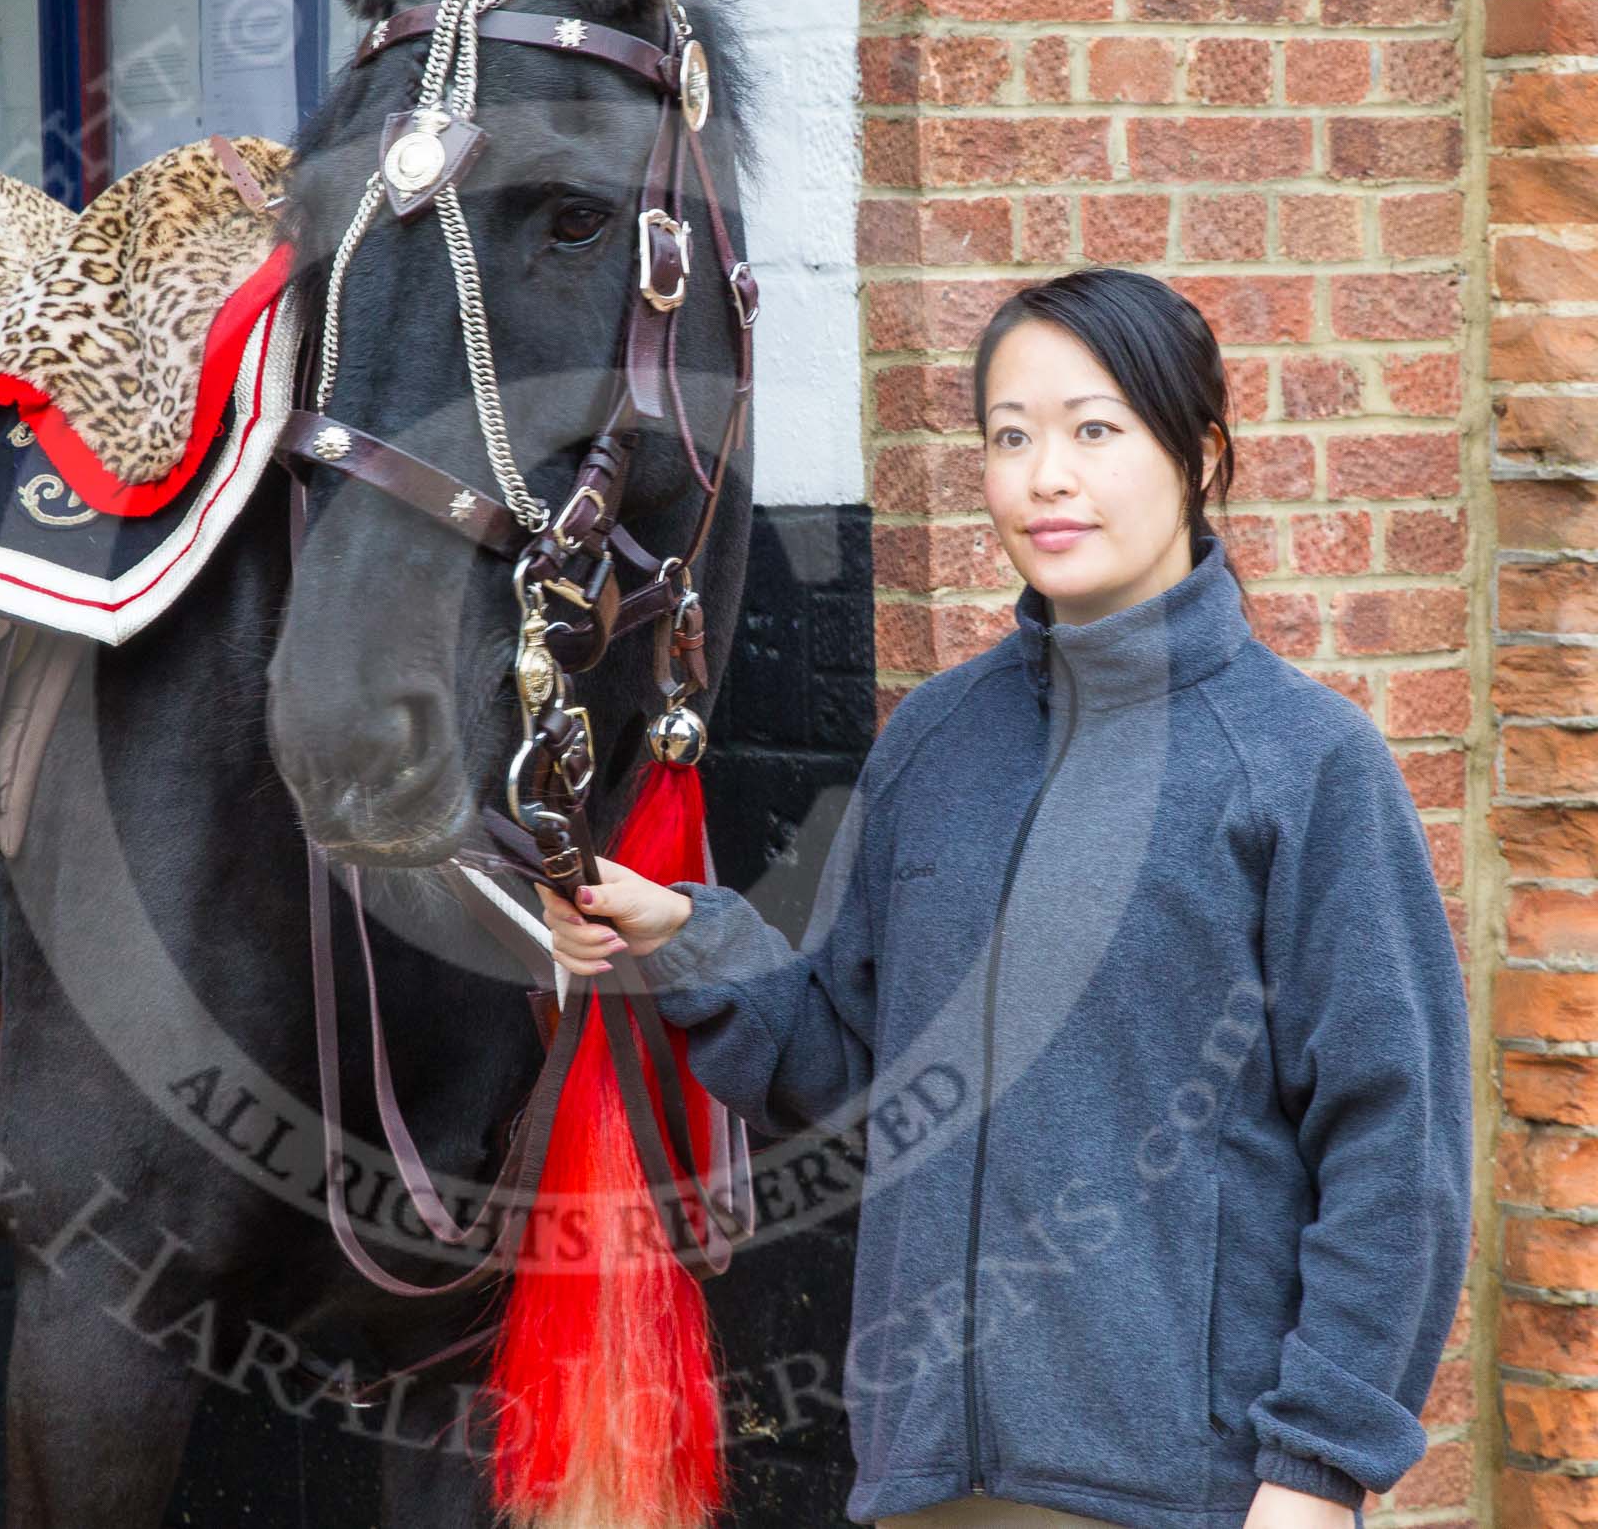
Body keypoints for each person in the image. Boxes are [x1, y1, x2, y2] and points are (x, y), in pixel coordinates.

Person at [535, 269, 1473, 1529]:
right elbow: (863, 1076)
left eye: (1093, 429)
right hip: (928, 1480)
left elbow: (1393, 1152)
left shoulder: (1302, 763)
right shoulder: (934, 740)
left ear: (1197, 457)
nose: (1043, 476)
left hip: (1190, 1493)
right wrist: (684, 934)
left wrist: (1314, 1466)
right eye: (1009, 436)